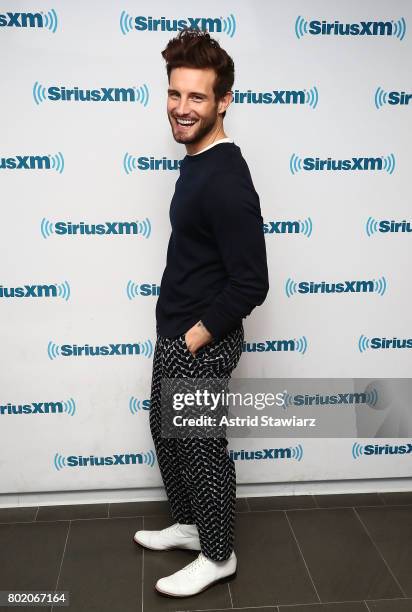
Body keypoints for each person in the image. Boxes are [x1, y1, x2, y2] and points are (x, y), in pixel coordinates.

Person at [134, 28, 269, 598]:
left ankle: (219, 555)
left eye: (196, 97)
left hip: (200, 338)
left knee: (199, 444)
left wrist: (193, 337)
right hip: (178, 329)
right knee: (168, 433)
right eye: (175, 94)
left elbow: (252, 283)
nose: (181, 108)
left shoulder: (226, 180)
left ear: (222, 102)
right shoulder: (197, 161)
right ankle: (192, 526)